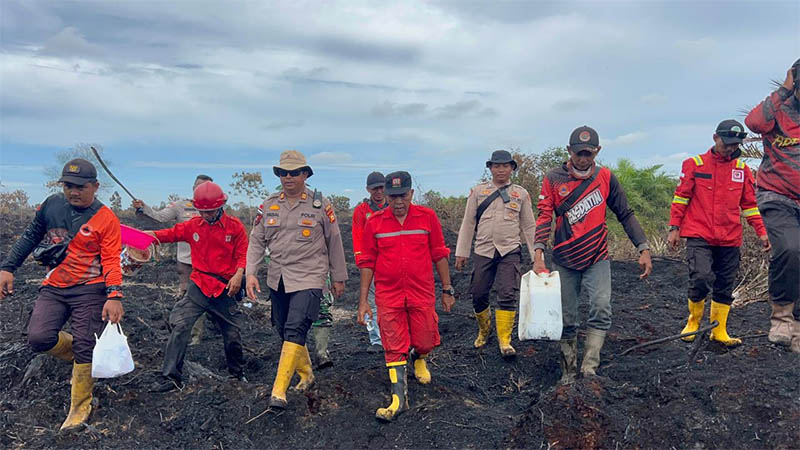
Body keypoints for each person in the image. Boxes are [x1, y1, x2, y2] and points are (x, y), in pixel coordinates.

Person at [0, 158, 124, 431]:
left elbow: (112, 260)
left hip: (91, 288)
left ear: (95, 186)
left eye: (80, 186)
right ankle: (86, 358)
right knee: (38, 337)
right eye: (68, 185)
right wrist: (7, 268)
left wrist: (114, 295)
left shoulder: (106, 218)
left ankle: (80, 407)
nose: (74, 191)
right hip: (55, 286)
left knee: (85, 343)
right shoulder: (51, 205)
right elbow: (30, 236)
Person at [533, 126, 653, 384]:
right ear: (569, 151)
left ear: (597, 151)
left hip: (597, 256)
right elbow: (544, 215)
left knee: (601, 307)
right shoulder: (553, 178)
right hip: (564, 259)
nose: (583, 159)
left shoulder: (606, 177)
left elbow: (625, 213)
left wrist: (642, 247)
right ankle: (567, 371)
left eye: (588, 153)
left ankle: (589, 369)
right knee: (567, 315)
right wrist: (538, 251)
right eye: (578, 153)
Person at [245, 150, 348, 410]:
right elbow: (256, 241)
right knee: (282, 328)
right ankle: (306, 374)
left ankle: (278, 391)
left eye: (293, 172)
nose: (287, 177)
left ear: (305, 174)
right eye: (283, 173)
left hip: (310, 275)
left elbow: (334, 241)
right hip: (278, 277)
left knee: (296, 327)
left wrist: (338, 277)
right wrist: (250, 273)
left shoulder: (320, 204)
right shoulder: (269, 204)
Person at [357, 171, 455, 422]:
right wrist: (363, 302)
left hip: (421, 292)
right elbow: (367, 262)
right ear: (386, 196)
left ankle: (419, 357)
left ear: (411, 193)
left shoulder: (427, 217)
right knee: (392, 344)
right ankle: (399, 399)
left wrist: (447, 289)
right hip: (388, 295)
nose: (398, 201)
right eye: (393, 196)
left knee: (425, 340)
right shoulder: (375, 222)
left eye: (403, 195)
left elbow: (439, 254)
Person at [668, 119, 770, 346]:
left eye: (735, 144)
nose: (731, 148)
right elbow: (680, 199)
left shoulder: (742, 170)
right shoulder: (694, 164)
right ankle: (693, 322)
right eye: (727, 143)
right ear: (715, 138)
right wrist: (674, 228)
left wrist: (762, 232)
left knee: (725, 284)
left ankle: (719, 330)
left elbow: (750, 205)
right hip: (699, 234)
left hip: (730, 237)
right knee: (701, 277)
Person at [149, 181, 248, 391]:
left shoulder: (235, 227)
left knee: (232, 335)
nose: (206, 216)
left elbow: (242, 255)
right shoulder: (193, 226)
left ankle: (237, 375)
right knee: (181, 326)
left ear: (220, 207)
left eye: (210, 211)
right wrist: (143, 236)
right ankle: (170, 377)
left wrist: (239, 275)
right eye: (202, 211)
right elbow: (168, 234)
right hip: (199, 286)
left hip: (225, 288)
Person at [455, 150, 537, 357]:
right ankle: (484, 330)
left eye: (505, 166)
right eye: (497, 166)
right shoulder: (477, 192)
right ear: (490, 168)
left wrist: (538, 257)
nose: (501, 170)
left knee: (508, 292)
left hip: (509, 249)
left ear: (512, 169)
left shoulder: (522, 194)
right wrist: (461, 252)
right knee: (479, 292)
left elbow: (529, 226)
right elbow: (468, 223)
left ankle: (505, 340)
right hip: (484, 249)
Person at [745, 59, 800, 353]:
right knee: (791, 248)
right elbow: (753, 122)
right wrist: (784, 89)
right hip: (777, 195)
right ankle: (781, 317)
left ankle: (797, 329)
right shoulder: (779, 109)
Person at [132, 174, 212, 345]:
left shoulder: (215, 208)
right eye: (200, 187)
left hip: (208, 263)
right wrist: (143, 207)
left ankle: (198, 333)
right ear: (193, 188)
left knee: (205, 296)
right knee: (186, 295)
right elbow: (160, 217)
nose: (204, 191)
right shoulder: (181, 206)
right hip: (186, 261)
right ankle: (186, 334)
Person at [351, 171, 388, 352]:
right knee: (371, 300)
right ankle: (376, 340)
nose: (379, 191)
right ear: (368, 190)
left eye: (381, 187)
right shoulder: (361, 210)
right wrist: (361, 260)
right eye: (375, 188)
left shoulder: (394, 206)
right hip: (372, 262)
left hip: (391, 260)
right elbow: (357, 236)